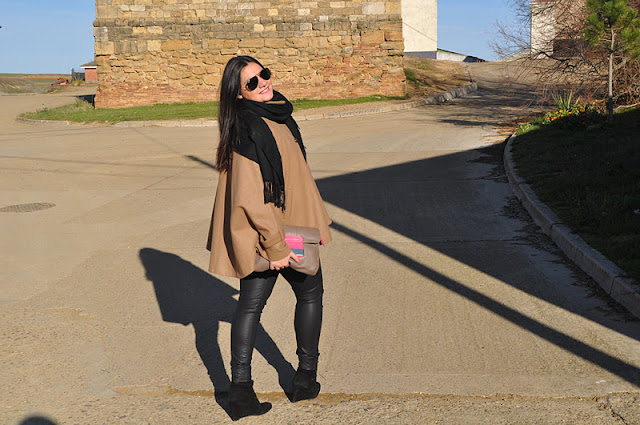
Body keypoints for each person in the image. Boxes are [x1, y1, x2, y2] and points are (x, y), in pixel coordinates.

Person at [206, 56, 332, 421]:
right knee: (278, 300)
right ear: (238, 94)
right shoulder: (247, 127)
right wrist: (276, 246)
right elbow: (250, 196)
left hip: (291, 226)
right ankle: (269, 386)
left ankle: (294, 381)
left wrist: (312, 223)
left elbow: (295, 176)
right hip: (273, 233)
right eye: (251, 82)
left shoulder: (277, 116)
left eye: (263, 74)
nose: (262, 82)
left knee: (274, 300)